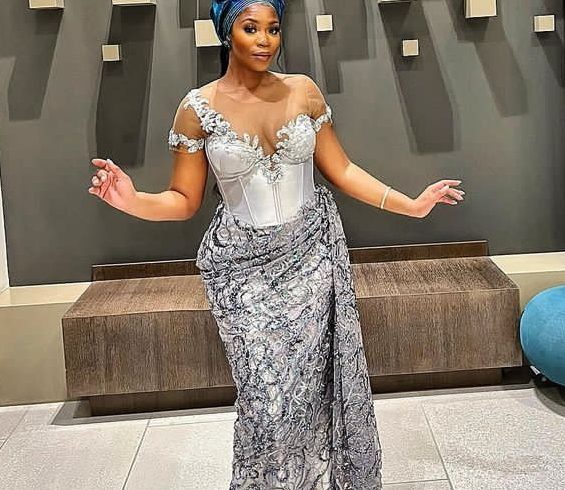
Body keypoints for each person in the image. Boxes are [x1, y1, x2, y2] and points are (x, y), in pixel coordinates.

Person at [87, 1, 465, 487]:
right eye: (251, 28)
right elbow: (183, 200)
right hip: (242, 272)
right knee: (266, 401)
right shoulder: (196, 109)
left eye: (273, 28)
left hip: (311, 258)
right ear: (228, 33)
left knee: (310, 391)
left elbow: (342, 169)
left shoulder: (303, 91)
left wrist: (410, 205)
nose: (265, 40)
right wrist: (131, 199)